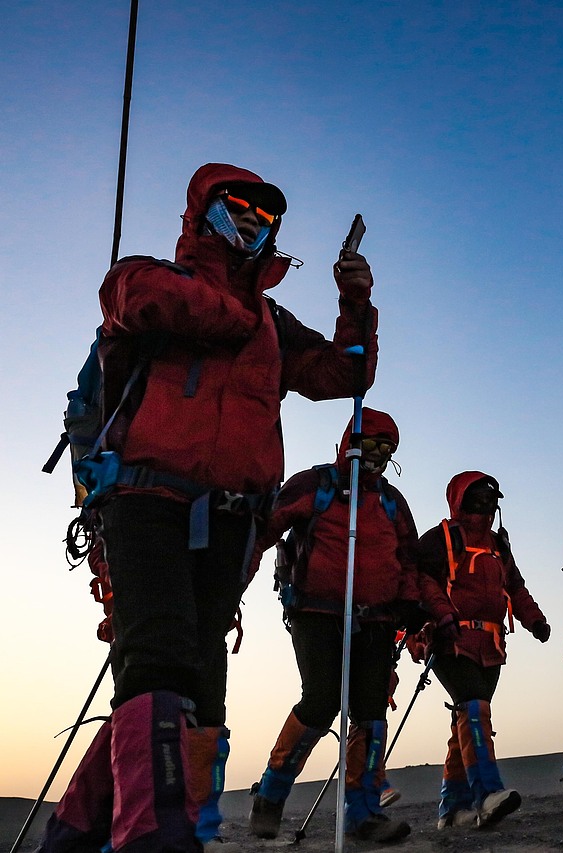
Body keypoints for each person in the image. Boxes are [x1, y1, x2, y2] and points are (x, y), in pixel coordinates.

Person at [38, 163, 378, 853]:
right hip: (145, 497)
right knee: (159, 656)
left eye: (266, 217)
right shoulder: (153, 276)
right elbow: (138, 301)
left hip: (231, 517)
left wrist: (355, 300)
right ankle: (155, 836)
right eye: (239, 208)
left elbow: (348, 372)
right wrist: (252, 308)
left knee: (186, 674)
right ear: (204, 211)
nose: (253, 222)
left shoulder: (273, 323)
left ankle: (74, 835)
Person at [247, 410, 435, 842]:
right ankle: (271, 794)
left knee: (370, 712)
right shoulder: (316, 485)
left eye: (387, 450)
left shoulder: (392, 500)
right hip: (315, 611)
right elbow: (267, 527)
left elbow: (407, 556)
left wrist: (409, 601)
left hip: (379, 616)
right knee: (322, 700)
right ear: (351, 440)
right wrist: (231, 577)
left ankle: (363, 813)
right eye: (371, 446)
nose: (378, 457)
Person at [415, 472, 551, 829]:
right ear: (461, 500)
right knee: (474, 708)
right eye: (479, 499)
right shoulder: (441, 539)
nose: (486, 506)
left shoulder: (498, 546)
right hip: (451, 642)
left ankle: (451, 809)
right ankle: (487, 794)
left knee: (468, 715)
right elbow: (424, 580)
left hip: (491, 645)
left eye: (491, 500)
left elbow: (516, 587)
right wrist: (442, 616)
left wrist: (534, 620)